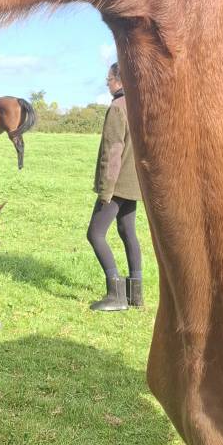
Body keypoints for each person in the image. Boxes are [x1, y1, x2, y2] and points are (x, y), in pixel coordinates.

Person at [87, 62, 143, 311]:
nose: (107, 83)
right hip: (135, 183)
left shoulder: (117, 108)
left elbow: (113, 151)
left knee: (95, 233)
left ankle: (116, 294)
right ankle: (136, 294)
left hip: (117, 183)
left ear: (119, 80)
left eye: (108, 78)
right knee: (127, 230)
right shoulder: (139, 105)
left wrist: (105, 190)